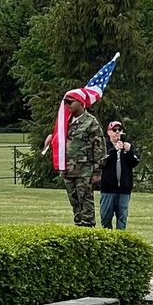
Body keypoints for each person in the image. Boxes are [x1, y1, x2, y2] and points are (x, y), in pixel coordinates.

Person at [60, 92, 106, 227]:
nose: (67, 105)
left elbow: (99, 146)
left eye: (70, 102)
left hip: (84, 170)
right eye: (65, 102)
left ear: (80, 102)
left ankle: (88, 228)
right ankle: (78, 226)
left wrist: (97, 171)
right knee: (74, 202)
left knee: (85, 200)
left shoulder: (90, 122)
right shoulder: (65, 121)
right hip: (68, 169)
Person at [100, 121, 140, 229]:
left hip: (124, 189)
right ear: (109, 132)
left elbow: (135, 162)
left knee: (122, 217)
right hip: (108, 189)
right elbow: (102, 162)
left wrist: (129, 151)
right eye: (114, 130)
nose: (117, 132)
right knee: (106, 217)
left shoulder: (128, 145)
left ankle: (120, 238)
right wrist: (114, 150)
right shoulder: (105, 146)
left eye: (119, 130)